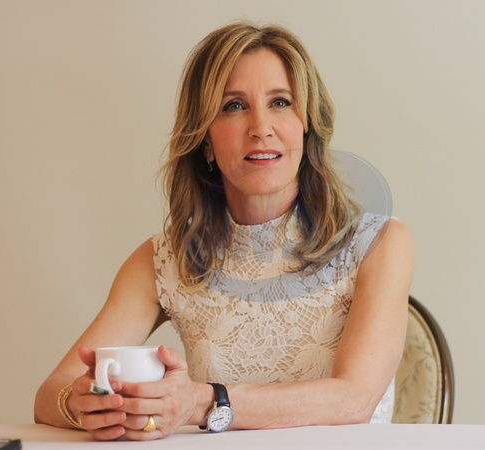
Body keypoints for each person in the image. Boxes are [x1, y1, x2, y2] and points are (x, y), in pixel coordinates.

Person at [34, 21, 415, 441]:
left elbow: (354, 400)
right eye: (233, 106)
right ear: (205, 141)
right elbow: (50, 394)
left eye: (281, 102)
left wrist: (201, 401)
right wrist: (82, 405)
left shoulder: (379, 244)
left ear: (306, 126)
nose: (261, 127)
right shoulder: (162, 260)